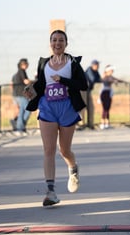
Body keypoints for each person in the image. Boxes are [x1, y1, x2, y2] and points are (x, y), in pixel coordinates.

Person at [24, 30, 88, 207]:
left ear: (66, 43)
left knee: (64, 150)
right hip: (47, 107)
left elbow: (83, 84)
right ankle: (50, 192)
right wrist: (32, 90)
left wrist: (63, 80)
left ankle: (73, 168)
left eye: (61, 40)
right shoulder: (44, 63)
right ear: (50, 43)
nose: (57, 43)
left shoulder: (73, 63)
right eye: (54, 40)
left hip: (67, 107)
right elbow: (42, 84)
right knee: (48, 150)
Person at [99, 64, 124, 129]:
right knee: (104, 108)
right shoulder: (105, 76)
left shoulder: (111, 76)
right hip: (104, 93)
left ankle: (107, 124)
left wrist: (123, 81)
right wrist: (114, 81)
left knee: (107, 108)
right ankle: (102, 124)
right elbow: (108, 80)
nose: (112, 71)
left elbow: (116, 79)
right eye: (111, 70)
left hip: (109, 93)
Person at [11, 58, 32, 134]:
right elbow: (26, 81)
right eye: (26, 64)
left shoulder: (19, 72)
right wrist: (33, 81)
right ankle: (19, 127)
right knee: (28, 109)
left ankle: (19, 125)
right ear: (23, 64)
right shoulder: (21, 71)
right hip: (20, 94)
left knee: (22, 111)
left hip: (18, 94)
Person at [84, 59, 102, 129]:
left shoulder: (96, 71)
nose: (98, 66)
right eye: (97, 65)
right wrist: (100, 79)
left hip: (88, 90)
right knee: (82, 107)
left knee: (91, 107)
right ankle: (81, 124)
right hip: (82, 90)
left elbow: (99, 79)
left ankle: (90, 124)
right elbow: (93, 79)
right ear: (93, 65)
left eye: (98, 65)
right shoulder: (89, 70)